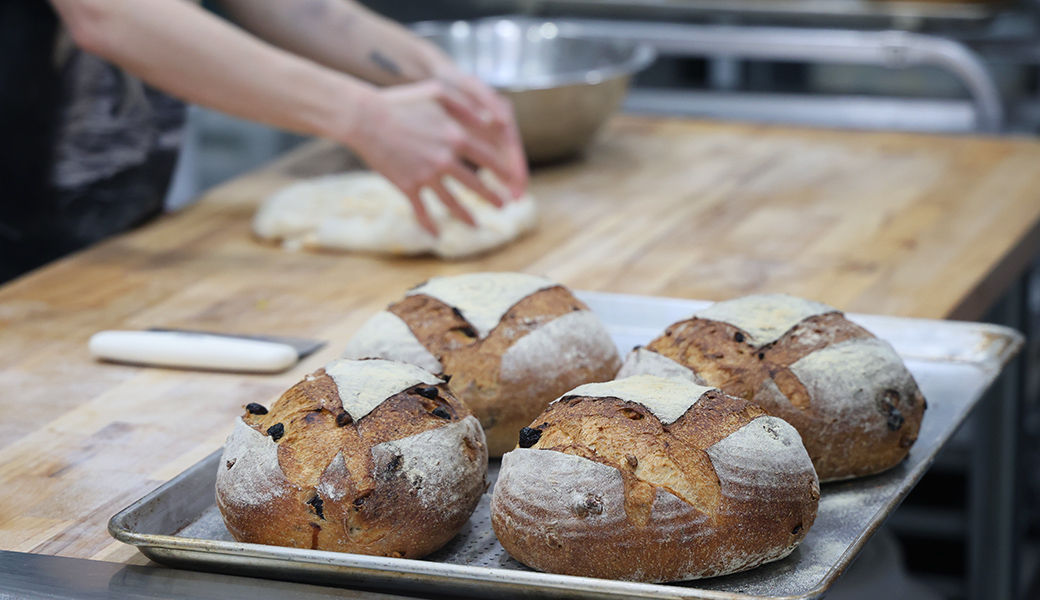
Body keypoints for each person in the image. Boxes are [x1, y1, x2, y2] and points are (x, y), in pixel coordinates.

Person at [0, 0, 528, 282]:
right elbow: (110, 12)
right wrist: (365, 117)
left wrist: (438, 76)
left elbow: (293, 6)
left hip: (106, 242)